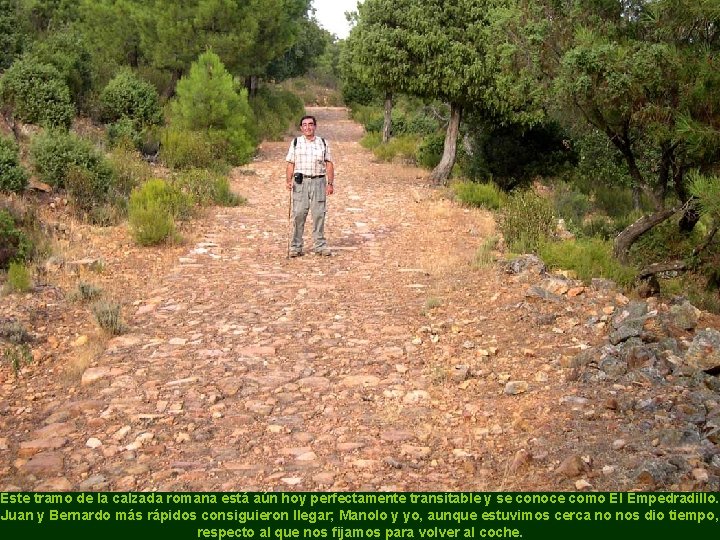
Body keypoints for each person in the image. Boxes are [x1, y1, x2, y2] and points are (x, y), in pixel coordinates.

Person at [285, 115, 335, 257]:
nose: (308, 127)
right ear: (301, 128)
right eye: (305, 125)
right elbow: (290, 163)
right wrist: (288, 180)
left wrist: (330, 183)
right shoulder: (295, 143)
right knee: (299, 214)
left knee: (319, 214)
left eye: (311, 124)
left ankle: (320, 245)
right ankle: (296, 246)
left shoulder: (323, 143)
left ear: (315, 126)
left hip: (319, 182)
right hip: (300, 183)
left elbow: (329, 163)